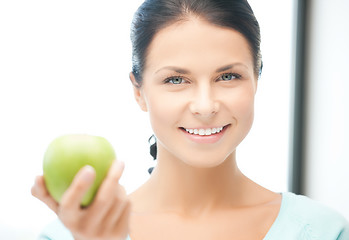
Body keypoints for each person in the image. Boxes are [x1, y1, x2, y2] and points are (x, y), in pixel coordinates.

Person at [31, 0, 349, 239]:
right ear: (139, 92)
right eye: (175, 80)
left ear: (257, 79)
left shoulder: (323, 231)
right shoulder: (69, 234)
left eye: (228, 76)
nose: (205, 105)